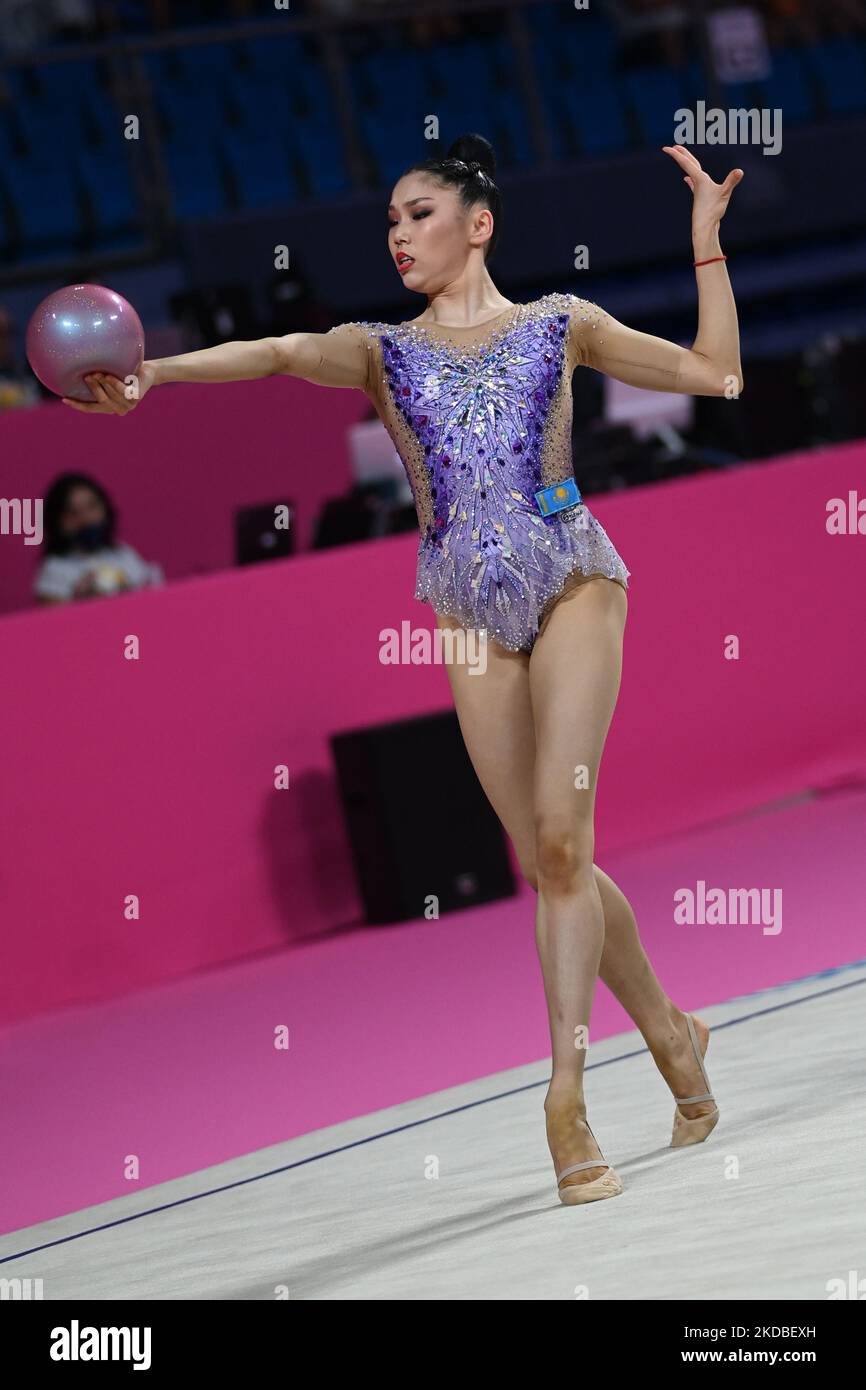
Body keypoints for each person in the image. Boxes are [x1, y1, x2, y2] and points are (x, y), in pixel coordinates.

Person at [63, 131, 743, 1206]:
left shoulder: (560, 323)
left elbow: (717, 373)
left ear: (478, 223)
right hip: (464, 610)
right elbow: (280, 351)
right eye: (387, 221)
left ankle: (564, 1092)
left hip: (570, 576)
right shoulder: (380, 351)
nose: (396, 236)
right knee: (544, 863)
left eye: (415, 215)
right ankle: (669, 1026)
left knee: (565, 843)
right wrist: (151, 373)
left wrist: (704, 244)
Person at [34, 473, 164, 605]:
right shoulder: (54, 570)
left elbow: (149, 598)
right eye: (73, 513)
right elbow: (51, 620)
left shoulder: (123, 553)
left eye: (92, 507)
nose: (86, 519)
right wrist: (78, 602)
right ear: (57, 522)